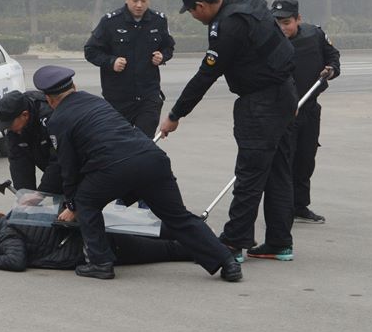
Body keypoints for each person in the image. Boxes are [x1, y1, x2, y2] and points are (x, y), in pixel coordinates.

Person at [31, 65, 242, 281]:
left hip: (113, 167)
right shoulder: (95, 101)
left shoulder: (58, 121)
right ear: (74, 87)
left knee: (85, 202)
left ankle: (100, 263)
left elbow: (68, 167)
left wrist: (72, 205)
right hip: (152, 158)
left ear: (49, 99)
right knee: (178, 217)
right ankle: (228, 262)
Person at [159, 0, 297, 262]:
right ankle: (279, 242)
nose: (194, 17)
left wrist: (175, 114)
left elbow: (206, 75)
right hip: (284, 93)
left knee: (249, 175)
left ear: (201, 6)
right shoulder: (246, 0)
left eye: (192, 11)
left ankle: (233, 243)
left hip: (260, 105)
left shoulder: (228, 27)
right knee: (278, 171)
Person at [271, 0, 341, 224]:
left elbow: (333, 57)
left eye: (286, 22)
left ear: (298, 19)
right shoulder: (268, 40)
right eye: (277, 23)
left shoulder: (315, 35)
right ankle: (282, 209)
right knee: (285, 162)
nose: (282, 28)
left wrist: (331, 69)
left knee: (305, 159)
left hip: (309, 108)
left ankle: (300, 206)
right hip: (283, 112)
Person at [84, 0, 175, 138]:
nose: (139, 5)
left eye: (143, 0)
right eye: (135, 0)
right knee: (118, 144)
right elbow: (91, 50)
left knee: (143, 143)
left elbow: (169, 46)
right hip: (118, 99)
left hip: (148, 97)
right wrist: (111, 62)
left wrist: (162, 56)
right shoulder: (110, 22)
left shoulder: (159, 20)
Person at [0, 207, 192, 272]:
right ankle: (197, 236)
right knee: (150, 232)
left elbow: (16, 260)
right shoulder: (16, 215)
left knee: (165, 250)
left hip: (86, 248)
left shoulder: (5, 236)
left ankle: (202, 248)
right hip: (88, 231)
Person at [0, 90, 62, 194]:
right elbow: (18, 162)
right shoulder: (13, 130)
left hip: (77, 169)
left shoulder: (51, 118)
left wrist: (42, 193)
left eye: (10, 125)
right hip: (53, 166)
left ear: (25, 115)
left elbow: (60, 160)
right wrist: (26, 195)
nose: (9, 129)